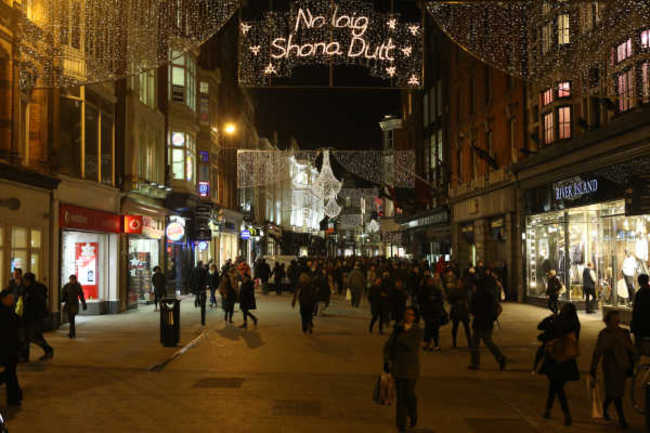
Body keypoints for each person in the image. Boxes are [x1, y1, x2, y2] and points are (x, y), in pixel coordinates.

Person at [591, 310, 634, 429]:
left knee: (616, 392)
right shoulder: (604, 334)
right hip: (610, 367)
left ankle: (605, 408)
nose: (617, 323)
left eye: (617, 320)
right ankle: (622, 419)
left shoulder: (624, 333)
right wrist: (593, 368)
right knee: (616, 394)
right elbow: (597, 352)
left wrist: (632, 364)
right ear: (608, 322)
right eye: (614, 320)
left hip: (622, 367)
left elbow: (631, 350)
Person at [539, 303, 580, 426]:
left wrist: (551, 317)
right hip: (567, 358)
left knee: (557, 386)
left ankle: (566, 414)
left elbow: (540, 327)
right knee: (555, 385)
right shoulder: (575, 324)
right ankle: (548, 410)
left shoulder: (557, 322)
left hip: (555, 357)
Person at [383, 306, 422, 433]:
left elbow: (411, 345)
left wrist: (401, 334)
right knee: (400, 397)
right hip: (398, 368)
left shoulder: (417, 330)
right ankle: (401, 424)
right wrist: (386, 360)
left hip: (411, 369)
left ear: (414, 317)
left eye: (411, 315)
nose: (408, 317)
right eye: (406, 314)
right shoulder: (398, 328)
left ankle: (413, 412)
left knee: (409, 395)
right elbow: (388, 345)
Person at [468, 272, 506, 371]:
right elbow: (499, 308)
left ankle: (476, 363)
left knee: (477, 342)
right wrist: (493, 317)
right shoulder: (489, 294)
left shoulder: (477, 295)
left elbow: (472, 309)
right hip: (487, 321)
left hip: (480, 321)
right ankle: (500, 358)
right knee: (486, 341)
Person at [21, 273, 53, 361]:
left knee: (33, 336)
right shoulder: (28, 289)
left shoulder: (34, 291)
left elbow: (36, 305)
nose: (23, 282)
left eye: (25, 280)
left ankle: (48, 350)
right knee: (27, 336)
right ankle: (25, 356)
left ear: (28, 280)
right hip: (29, 317)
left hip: (34, 317)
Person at [0, 290, 22, 406]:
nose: (12, 300)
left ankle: (15, 396)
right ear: (3, 299)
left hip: (10, 348)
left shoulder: (10, 312)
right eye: (10, 298)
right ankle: (14, 397)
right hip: (5, 348)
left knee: (10, 372)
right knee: (9, 373)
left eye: (13, 298)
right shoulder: (5, 313)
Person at [418, 276, 444, 351]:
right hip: (428, 312)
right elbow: (420, 300)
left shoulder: (436, 290)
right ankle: (428, 343)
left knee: (435, 328)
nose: (431, 282)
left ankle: (435, 344)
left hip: (435, 311)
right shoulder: (423, 290)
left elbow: (441, 300)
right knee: (428, 328)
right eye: (430, 281)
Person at [448, 278, 472, 349]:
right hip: (456, 310)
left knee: (467, 327)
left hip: (464, 310)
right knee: (455, 328)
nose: (460, 284)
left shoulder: (465, 291)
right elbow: (449, 299)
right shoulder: (454, 291)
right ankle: (454, 343)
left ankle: (469, 342)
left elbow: (468, 299)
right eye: (458, 283)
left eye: (461, 283)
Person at [632, 274, 650, 352]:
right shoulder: (639, 293)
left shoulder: (639, 293)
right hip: (643, 323)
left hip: (641, 323)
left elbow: (635, 309)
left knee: (640, 345)